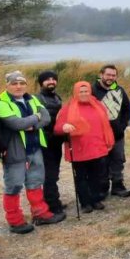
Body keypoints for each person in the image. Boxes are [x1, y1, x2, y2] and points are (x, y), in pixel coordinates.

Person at [0, 71, 65, 233]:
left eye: (21, 83)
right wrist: (35, 117)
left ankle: (40, 214)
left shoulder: (31, 98)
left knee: (35, 182)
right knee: (14, 185)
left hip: (35, 147)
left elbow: (46, 119)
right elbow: (16, 124)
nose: (18, 87)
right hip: (14, 151)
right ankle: (15, 221)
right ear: (7, 85)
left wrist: (32, 124)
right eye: (14, 83)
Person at [55, 81, 115, 214]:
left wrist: (108, 141)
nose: (84, 94)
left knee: (97, 176)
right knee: (81, 177)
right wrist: (64, 127)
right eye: (81, 92)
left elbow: (106, 125)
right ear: (76, 92)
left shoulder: (98, 105)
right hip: (79, 150)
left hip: (97, 148)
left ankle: (95, 199)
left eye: (86, 91)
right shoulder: (68, 108)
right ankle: (85, 202)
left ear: (90, 92)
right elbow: (58, 127)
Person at [92, 64, 130, 198]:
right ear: (101, 74)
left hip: (117, 134)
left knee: (118, 160)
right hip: (99, 136)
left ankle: (118, 186)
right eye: (108, 75)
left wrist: (122, 125)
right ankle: (102, 188)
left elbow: (127, 109)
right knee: (101, 161)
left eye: (113, 75)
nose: (110, 77)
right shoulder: (92, 91)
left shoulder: (119, 90)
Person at [35, 70, 66, 214]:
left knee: (54, 172)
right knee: (49, 174)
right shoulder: (37, 99)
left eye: (53, 79)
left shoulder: (56, 97)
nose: (51, 82)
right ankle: (52, 204)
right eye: (47, 80)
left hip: (56, 140)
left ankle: (54, 199)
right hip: (45, 141)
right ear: (41, 83)